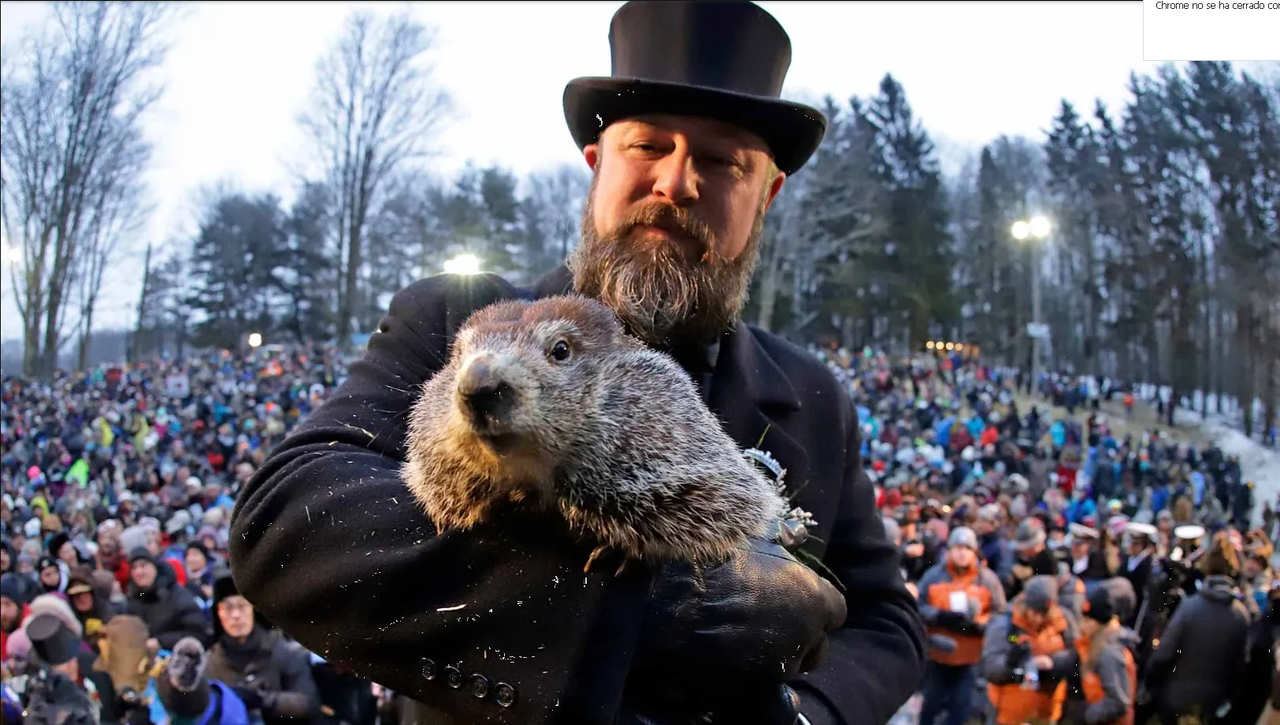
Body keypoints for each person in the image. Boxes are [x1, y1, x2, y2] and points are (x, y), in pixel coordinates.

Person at [229, 1, 925, 723]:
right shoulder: (452, 323)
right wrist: (617, 609)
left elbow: (886, 621)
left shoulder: (811, 395)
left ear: (767, 194)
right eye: (649, 146)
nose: (678, 183)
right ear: (597, 166)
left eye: (721, 161)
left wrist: (805, 714)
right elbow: (289, 519)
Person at [1143, 533, 1251, 725]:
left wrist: (1150, 685)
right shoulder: (1241, 615)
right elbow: (1240, 666)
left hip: (1176, 701)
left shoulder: (1191, 607)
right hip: (1214, 706)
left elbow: (1164, 653)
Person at [916, 527, 1006, 725]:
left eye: (967, 548)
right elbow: (918, 606)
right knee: (930, 704)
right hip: (938, 653)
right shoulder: (933, 576)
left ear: (974, 552)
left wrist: (979, 624)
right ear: (949, 550)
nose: (962, 553)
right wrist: (939, 616)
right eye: (957, 547)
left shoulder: (988, 580)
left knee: (961, 706)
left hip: (970, 657)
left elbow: (1000, 614)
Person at [203, 571, 319, 725]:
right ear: (218, 613)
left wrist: (264, 699)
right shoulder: (211, 661)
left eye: (242, 606)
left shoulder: (282, 649)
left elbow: (307, 703)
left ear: (253, 610)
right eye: (228, 608)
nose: (236, 615)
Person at [981, 576, 1076, 725]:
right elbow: (991, 668)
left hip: (1047, 711)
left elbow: (1075, 655)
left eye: (1044, 613)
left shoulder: (1063, 623)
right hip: (1009, 712)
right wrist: (1018, 665)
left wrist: (1052, 663)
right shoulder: (1006, 627)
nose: (1038, 619)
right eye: (1034, 612)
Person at [1061, 586, 1137, 725]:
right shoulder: (1090, 643)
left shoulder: (1111, 653)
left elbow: (1118, 702)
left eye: (1088, 621)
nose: (1082, 626)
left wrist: (1086, 714)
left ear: (1100, 624)